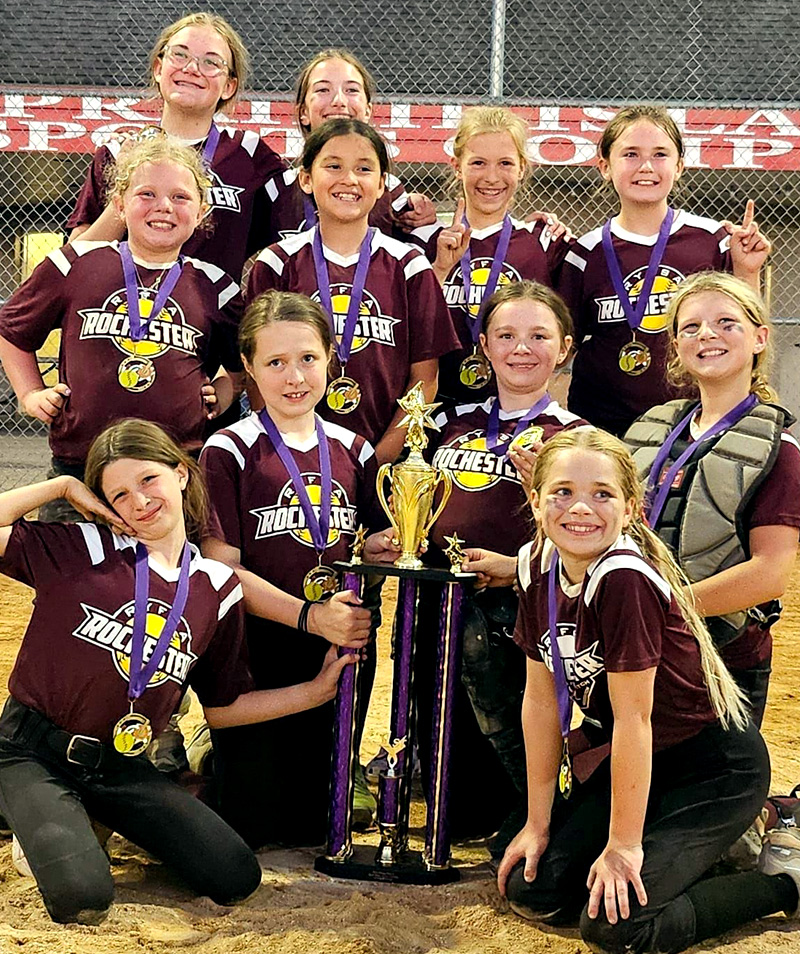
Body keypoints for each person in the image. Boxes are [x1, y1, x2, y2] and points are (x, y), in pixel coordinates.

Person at [0, 418, 352, 924]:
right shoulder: (81, 547)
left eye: (148, 480)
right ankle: (34, 813)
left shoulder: (216, 586)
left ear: (181, 474)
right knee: (83, 897)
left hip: (120, 765)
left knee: (234, 876)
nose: (139, 501)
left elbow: (223, 708)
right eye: (118, 494)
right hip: (31, 750)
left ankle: (82, 819)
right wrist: (59, 485)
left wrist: (314, 693)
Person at [496, 427, 799, 954]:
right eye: (562, 492)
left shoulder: (624, 578)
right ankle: (704, 854)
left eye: (602, 494)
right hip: (636, 762)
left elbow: (638, 720)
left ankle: (784, 882)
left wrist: (624, 846)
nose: (580, 508)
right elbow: (540, 702)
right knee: (533, 886)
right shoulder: (535, 566)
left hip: (711, 768)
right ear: (536, 500)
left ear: (632, 508)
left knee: (620, 929)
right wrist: (536, 823)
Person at [200, 290, 397, 847]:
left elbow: (367, 549)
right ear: (249, 368)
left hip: (337, 637)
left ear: (332, 358)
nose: (294, 377)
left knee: (317, 821)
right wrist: (311, 617)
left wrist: (379, 553)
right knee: (255, 827)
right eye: (276, 362)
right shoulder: (229, 449)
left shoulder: (354, 449)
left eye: (308, 358)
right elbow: (222, 570)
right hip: (262, 639)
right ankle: (206, 764)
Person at [412, 281, 585, 838]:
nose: (521, 348)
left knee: (509, 726)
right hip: (439, 598)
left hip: (517, 609)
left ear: (563, 348)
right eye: (506, 335)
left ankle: (540, 816)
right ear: (483, 346)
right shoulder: (447, 422)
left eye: (539, 336)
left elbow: (594, 540)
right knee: (438, 731)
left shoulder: (578, 439)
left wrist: (521, 558)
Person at [0, 138, 243, 521]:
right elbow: (10, 331)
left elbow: (243, 364)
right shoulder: (76, 264)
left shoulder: (215, 286)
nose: (164, 207)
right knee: (73, 576)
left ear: (201, 212)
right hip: (80, 469)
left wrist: (226, 392)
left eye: (180, 197)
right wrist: (30, 393)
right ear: (119, 203)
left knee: (170, 578)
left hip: (175, 471)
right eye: (146, 193)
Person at [624, 271, 800, 727]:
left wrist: (664, 607)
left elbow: (769, 575)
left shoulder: (778, 449)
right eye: (691, 327)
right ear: (677, 345)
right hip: (636, 644)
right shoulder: (650, 431)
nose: (707, 335)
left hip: (723, 652)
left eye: (727, 323)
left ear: (760, 337)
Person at [247, 118, 459, 463]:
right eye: (333, 166)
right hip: (293, 456)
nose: (348, 179)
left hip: (384, 456)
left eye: (364, 168)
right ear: (306, 178)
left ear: (380, 185)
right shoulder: (277, 263)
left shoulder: (410, 266)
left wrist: (377, 461)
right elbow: (256, 373)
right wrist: (285, 447)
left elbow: (425, 381)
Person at [557, 105, 771, 436]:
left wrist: (747, 271)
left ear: (680, 166)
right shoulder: (585, 254)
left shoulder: (712, 241)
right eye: (630, 154)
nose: (646, 167)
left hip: (694, 422)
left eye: (660, 154)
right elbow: (559, 349)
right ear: (604, 166)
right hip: (603, 425)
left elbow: (744, 327)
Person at [67, 12, 286, 282]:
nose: (192, 69)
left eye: (211, 62)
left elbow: (304, 225)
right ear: (159, 69)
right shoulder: (118, 154)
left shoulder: (249, 155)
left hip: (212, 320)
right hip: (122, 314)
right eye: (180, 55)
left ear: (229, 86)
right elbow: (73, 261)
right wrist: (125, 195)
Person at [411, 106, 572, 404]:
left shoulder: (545, 242)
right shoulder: (423, 241)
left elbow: (565, 334)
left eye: (505, 163)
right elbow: (410, 327)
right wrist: (440, 270)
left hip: (515, 407)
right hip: (436, 406)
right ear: (457, 166)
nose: (491, 177)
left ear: (522, 167)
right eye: (478, 163)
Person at [263, 49, 436, 240]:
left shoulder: (389, 191)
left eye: (351, 90)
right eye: (323, 90)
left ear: (368, 110)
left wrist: (423, 216)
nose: (339, 101)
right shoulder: (277, 191)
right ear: (303, 111)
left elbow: (425, 254)